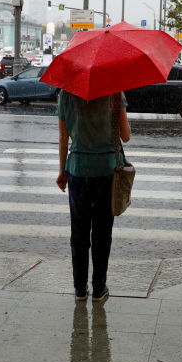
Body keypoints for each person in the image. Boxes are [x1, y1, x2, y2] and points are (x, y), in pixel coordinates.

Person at [56, 90, 131, 301]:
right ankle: (99, 288)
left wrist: (62, 171)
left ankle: (80, 289)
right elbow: (125, 135)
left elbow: (63, 137)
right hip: (107, 172)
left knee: (79, 233)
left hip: (78, 170)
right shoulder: (115, 93)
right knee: (102, 233)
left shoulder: (66, 94)